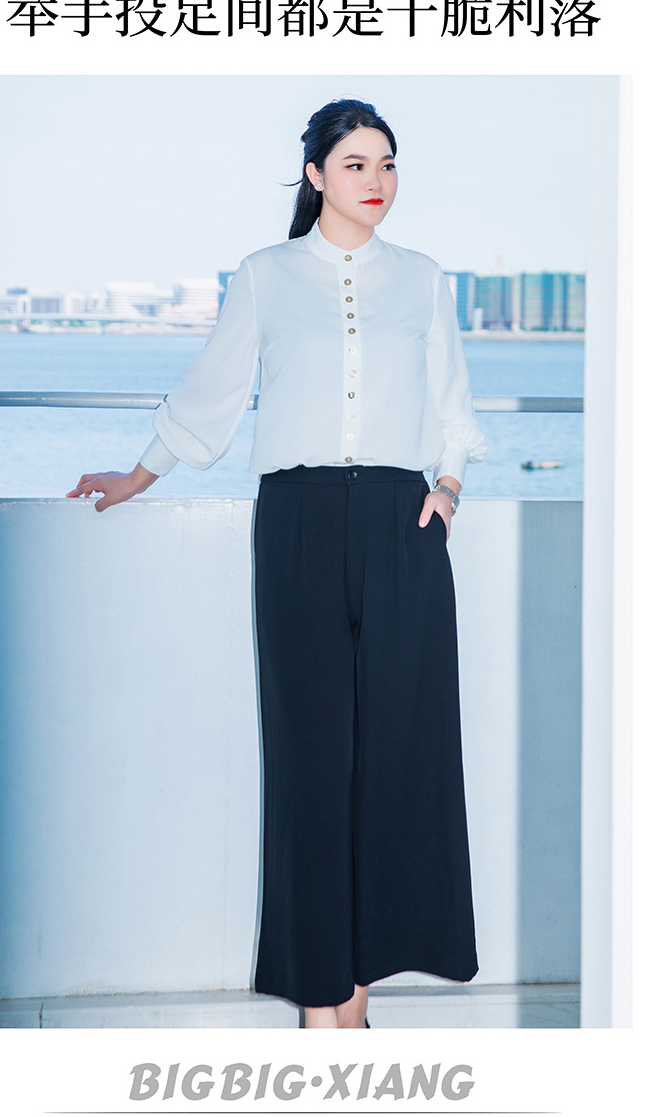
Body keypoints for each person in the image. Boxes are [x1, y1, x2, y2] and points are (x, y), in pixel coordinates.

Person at [67, 98, 488, 1030]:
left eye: (387, 163)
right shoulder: (266, 276)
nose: (376, 181)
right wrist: (137, 475)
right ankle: (320, 1000)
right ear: (315, 176)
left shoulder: (424, 280)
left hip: (402, 522)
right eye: (355, 164)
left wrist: (448, 488)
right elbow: (211, 395)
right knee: (309, 763)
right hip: (298, 523)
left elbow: (453, 405)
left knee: (396, 759)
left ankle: (357, 997)